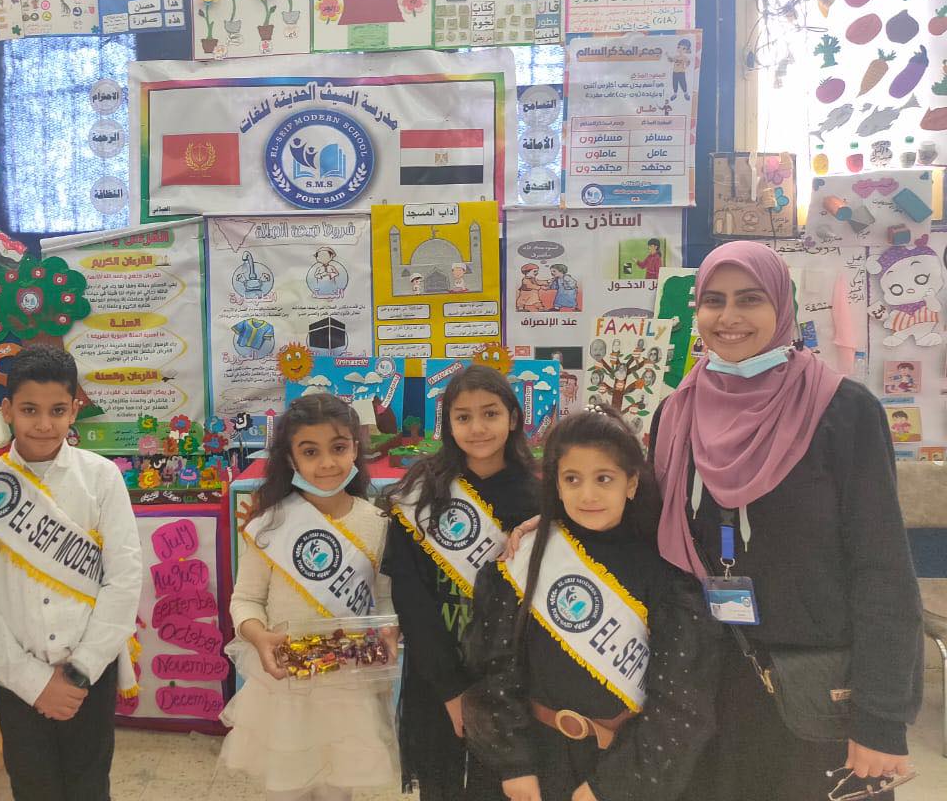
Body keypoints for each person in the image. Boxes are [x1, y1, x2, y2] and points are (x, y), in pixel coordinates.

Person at [651, 241, 922, 800]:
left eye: (750, 299)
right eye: (714, 300)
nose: (729, 317)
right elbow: (648, 534)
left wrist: (881, 719)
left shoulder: (843, 411)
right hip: (706, 689)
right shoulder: (676, 414)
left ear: (782, 305)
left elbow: (883, 569)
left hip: (816, 693)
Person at [464, 408, 719, 801]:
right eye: (572, 479)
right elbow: (495, 666)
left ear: (631, 483)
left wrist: (614, 785)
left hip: (625, 763)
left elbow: (681, 699)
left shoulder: (665, 571)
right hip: (537, 762)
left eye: (604, 478)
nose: (587, 495)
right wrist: (514, 763)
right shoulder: (526, 557)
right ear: (555, 484)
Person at [0, 345, 141, 801]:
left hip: (90, 674)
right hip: (16, 678)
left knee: (89, 787)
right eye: (29, 410)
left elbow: (124, 579)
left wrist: (80, 670)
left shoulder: (101, 477)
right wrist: (32, 682)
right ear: (7, 410)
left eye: (57, 411)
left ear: (74, 410)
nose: (43, 424)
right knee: (32, 788)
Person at [221, 394, 399, 800]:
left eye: (338, 448)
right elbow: (244, 600)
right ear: (291, 458)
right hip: (288, 685)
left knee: (339, 789)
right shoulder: (270, 524)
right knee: (288, 787)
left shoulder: (377, 523)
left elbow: (385, 598)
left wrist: (390, 629)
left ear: (355, 448)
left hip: (349, 684)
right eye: (310, 451)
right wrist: (259, 636)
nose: (327, 463)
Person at [381, 367, 539, 801]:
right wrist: (451, 690)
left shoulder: (540, 496)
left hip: (513, 677)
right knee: (442, 783)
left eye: (490, 413)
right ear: (447, 424)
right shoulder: (422, 492)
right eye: (463, 416)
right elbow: (409, 595)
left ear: (513, 417)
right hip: (437, 669)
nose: (477, 427)